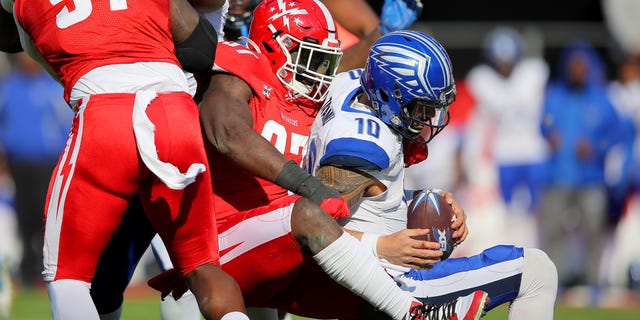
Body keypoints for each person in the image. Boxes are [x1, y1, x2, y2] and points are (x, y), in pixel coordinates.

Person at [92, 1, 489, 320]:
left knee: (354, 285)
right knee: (111, 274)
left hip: (272, 233)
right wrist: (307, 185)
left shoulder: (314, 88)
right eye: (308, 59)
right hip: (208, 222)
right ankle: (412, 312)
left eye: (324, 62)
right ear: (269, 48)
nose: (318, 74)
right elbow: (227, 132)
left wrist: (419, 200)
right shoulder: (242, 67)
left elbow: (351, 66)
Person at [3, 0, 249, 319]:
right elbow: (203, 47)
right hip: (174, 111)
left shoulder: (24, 7)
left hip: (105, 110)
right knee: (201, 267)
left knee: (67, 276)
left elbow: (57, 70)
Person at [302, 30, 558, 319]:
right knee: (537, 270)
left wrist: (422, 200)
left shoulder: (348, 86)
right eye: (421, 106)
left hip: (371, 280)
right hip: (393, 286)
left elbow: (366, 193)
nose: (427, 119)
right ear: (390, 93)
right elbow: (311, 228)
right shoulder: (362, 146)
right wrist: (381, 245)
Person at [539, 39, 623, 295]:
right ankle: (555, 282)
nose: (576, 71)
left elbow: (618, 135)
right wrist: (549, 134)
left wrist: (596, 146)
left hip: (591, 179)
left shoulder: (601, 99)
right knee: (554, 232)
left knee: (593, 232)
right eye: (572, 66)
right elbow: (544, 123)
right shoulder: (555, 95)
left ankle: (592, 282)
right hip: (557, 177)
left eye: (581, 66)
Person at [465, 26, 550, 247]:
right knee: (507, 214)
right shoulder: (483, 80)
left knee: (536, 212)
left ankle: (537, 253)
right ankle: (514, 257)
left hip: (533, 151)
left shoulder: (533, 73)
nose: (504, 65)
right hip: (504, 154)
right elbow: (479, 123)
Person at [0, 52, 73, 288]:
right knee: (24, 216)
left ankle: (47, 267)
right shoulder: (9, 87)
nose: (25, 60)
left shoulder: (53, 87)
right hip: (18, 162)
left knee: (46, 216)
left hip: (47, 162)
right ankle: (26, 268)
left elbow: (66, 125)